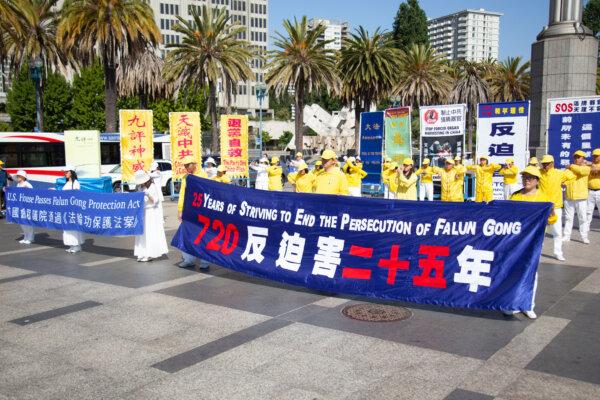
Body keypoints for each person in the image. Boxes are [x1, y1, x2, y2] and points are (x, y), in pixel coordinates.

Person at [508, 166, 558, 320]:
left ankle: (528, 305)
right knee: (513, 271)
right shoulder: (515, 196)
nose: (527, 180)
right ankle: (513, 304)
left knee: (531, 273)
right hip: (516, 241)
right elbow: (507, 217)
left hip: (534, 241)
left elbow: (551, 220)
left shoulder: (544, 198)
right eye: (524, 177)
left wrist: (552, 212)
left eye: (530, 177)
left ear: (537, 181)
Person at [539, 154, 573, 261]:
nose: (545, 165)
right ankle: (537, 251)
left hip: (556, 206)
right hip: (542, 206)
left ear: (552, 163)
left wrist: (565, 182)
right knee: (540, 231)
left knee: (557, 231)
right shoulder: (539, 173)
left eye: (547, 164)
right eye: (543, 163)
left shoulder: (559, 173)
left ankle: (558, 252)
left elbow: (572, 176)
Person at [177, 156, 208, 269]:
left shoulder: (203, 176)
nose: (185, 167)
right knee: (188, 235)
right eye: (184, 165)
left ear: (194, 164)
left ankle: (205, 261)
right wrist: (180, 210)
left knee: (203, 235)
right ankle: (188, 259)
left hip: (201, 210)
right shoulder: (185, 177)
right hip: (188, 210)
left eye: (187, 165)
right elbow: (182, 194)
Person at [133, 170, 168, 262]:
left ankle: (150, 253)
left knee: (150, 232)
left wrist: (147, 194)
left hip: (151, 211)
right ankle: (142, 252)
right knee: (142, 233)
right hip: (143, 212)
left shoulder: (152, 187)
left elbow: (155, 201)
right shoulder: (140, 187)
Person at [563, 150, 591, 244]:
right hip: (569, 197)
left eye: (579, 157)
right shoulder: (568, 170)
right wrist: (563, 183)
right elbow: (565, 179)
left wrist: (570, 166)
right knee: (568, 218)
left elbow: (580, 171)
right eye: (575, 157)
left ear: (583, 159)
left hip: (581, 198)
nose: (577, 159)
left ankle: (584, 237)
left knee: (582, 218)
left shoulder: (586, 168)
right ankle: (567, 236)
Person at [62, 166, 84, 253]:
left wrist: (74, 191)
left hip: (73, 209)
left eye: (67, 172)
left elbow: (77, 194)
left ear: (71, 172)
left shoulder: (76, 183)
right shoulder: (66, 183)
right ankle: (71, 245)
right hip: (66, 208)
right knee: (67, 227)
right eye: (65, 172)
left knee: (74, 227)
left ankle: (77, 245)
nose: (65, 174)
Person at [14, 170, 34, 244]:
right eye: (17, 176)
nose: (17, 177)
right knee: (22, 222)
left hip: (27, 206)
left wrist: (27, 189)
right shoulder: (18, 185)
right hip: (20, 205)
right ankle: (25, 236)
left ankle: (30, 238)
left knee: (28, 222)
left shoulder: (27, 184)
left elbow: (33, 193)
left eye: (18, 176)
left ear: (23, 177)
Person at [586, 149, 600, 229]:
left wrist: (592, 166)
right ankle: (586, 228)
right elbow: (583, 163)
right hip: (590, 191)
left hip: (599, 191)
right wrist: (591, 164)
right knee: (588, 211)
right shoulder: (590, 164)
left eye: (597, 156)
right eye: (594, 156)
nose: (595, 157)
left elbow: (596, 170)